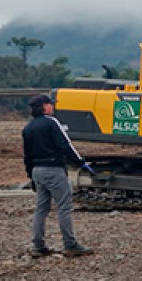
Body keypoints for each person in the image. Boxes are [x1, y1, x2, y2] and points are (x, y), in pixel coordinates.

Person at [22, 93, 93, 257]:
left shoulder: (28, 128)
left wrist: (30, 176)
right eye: (50, 104)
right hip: (53, 169)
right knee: (64, 207)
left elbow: (27, 155)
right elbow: (65, 144)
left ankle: (38, 245)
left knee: (41, 209)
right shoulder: (51, 122)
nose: (53, 107)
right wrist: (80, 162)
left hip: (37, 171)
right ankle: (70, 244)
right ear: (44, 107)